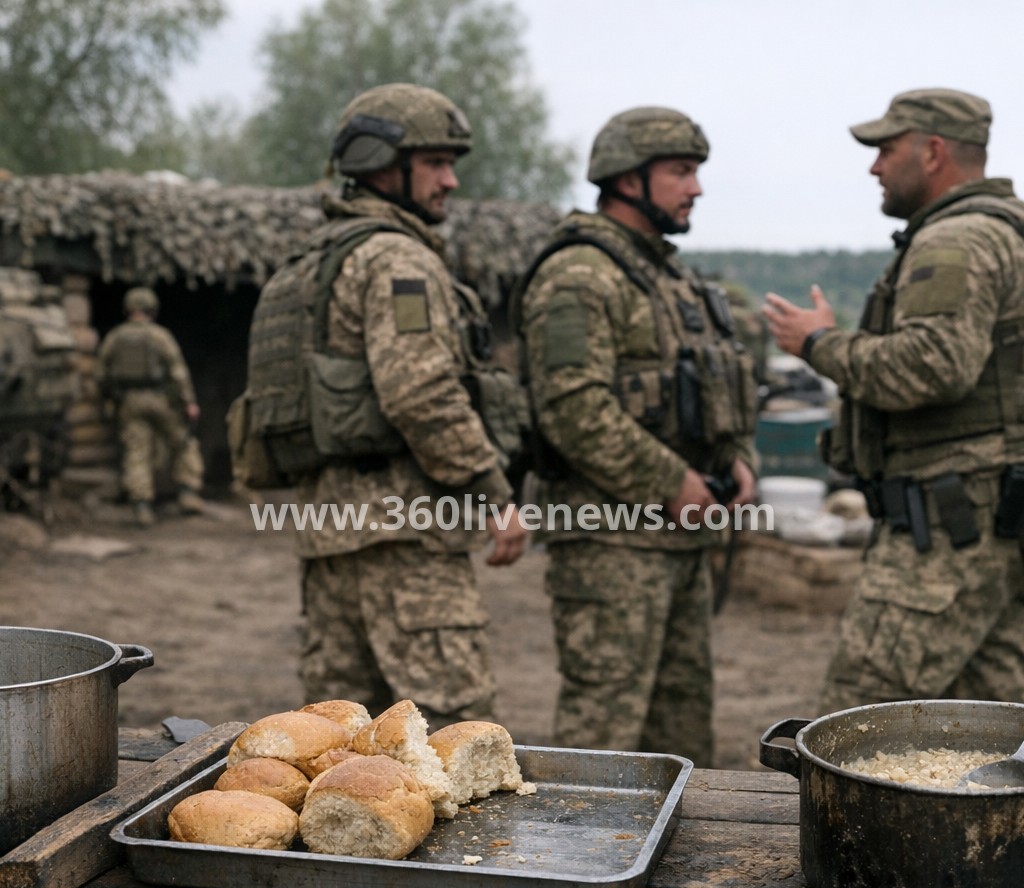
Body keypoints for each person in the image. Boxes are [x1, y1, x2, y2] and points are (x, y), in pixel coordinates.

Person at [763, 88, 1024, 714]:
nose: (874, 166)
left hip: (946, 526)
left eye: (885, 149)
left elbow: (931, 367)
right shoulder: (1004, 234)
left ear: (933, 152)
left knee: (858, 719)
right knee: (986, 726)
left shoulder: (954, 242)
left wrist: (819, 343)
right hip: (991, 519)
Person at [516, 107, 759, 765]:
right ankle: (579, 867)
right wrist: (670, 481)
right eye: (681, 172)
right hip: (609, 545)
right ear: (626, 178)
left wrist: (737, 459)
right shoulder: (580, 273)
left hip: (680, 539)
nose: (696, 188)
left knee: (682, 739)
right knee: (603, 740)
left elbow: (711, 390)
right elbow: (573, 407)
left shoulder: (668, 276)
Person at [289, 83, 526, 727]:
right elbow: (420, 389)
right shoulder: (398, 259)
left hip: (330, 538)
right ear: (381, 164)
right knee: (456, 738)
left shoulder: (320, 258)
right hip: (407, 539)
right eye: (436, 163)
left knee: (337, 742)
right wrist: (490, 491)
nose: (451, 180)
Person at [97, 287, 204, 526]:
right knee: (183, 443)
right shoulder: (160, 336)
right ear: (152, 309)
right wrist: (189, 402)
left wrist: (113, 398)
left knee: (137, 451)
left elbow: (101, 374)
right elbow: (178, 371)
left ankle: (142, 506)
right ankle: (188, 493)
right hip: (161, 399)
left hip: (129, 401)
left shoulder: (115, 337)